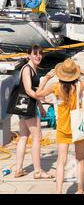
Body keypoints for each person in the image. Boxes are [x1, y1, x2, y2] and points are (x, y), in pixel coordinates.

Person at [36, 59, 84, 194]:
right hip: (78, 127)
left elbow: (38, 94)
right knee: (80, 158)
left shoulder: (55, 87)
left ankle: (58, 191)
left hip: (63, 127)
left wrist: (46, 78)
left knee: (61, 161)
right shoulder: (80, 85)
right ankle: (80, 189)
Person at [13, 45, 54, 180]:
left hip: (22, 105)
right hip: (26, 105)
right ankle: (38, 171)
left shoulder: (33, 69)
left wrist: (41, 107)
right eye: (35, 54)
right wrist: (43, 98)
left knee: (24, 135)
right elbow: (29, 90)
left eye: (40, 54)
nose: (38, 56)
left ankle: (18, 169)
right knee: (37, 136)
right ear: (29, 55)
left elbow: (33, 90)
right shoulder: (27, 69)